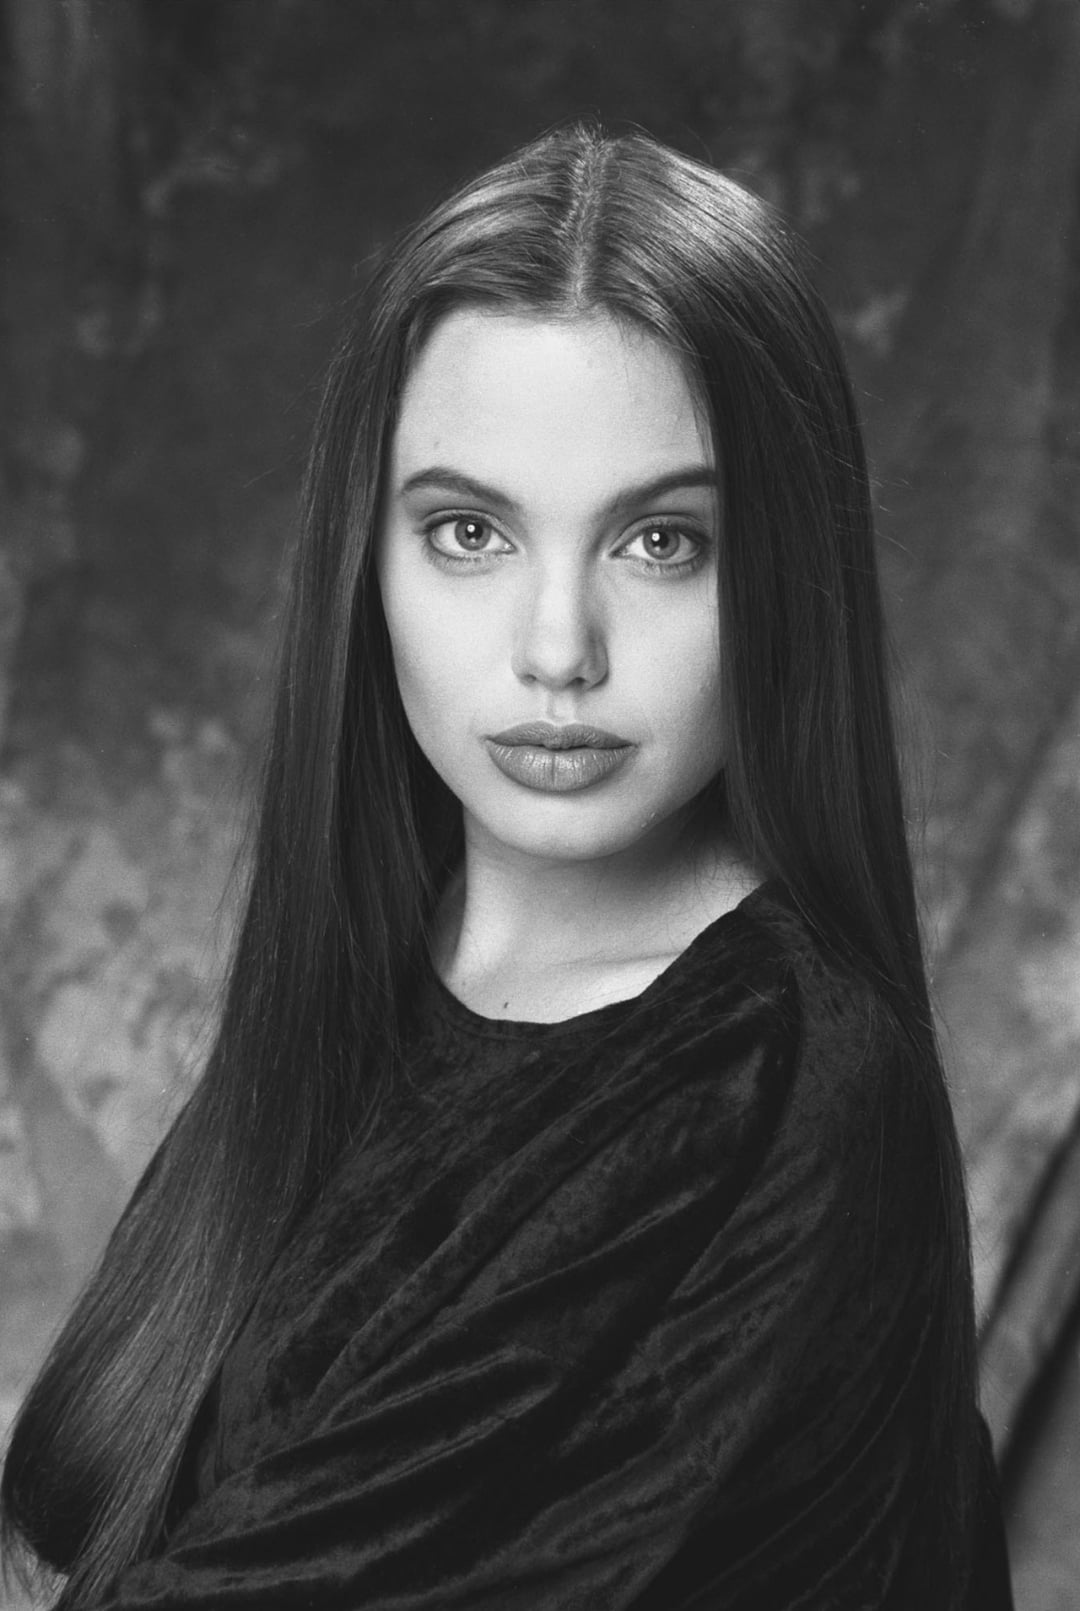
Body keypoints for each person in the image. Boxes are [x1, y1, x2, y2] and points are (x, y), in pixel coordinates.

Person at [1, 123, 1014, 1609]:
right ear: (372, 565)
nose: (557, 649)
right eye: (470, 531)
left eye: (660, 542)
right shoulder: (377, 966)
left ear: (783, 577)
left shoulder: (780, 1082)